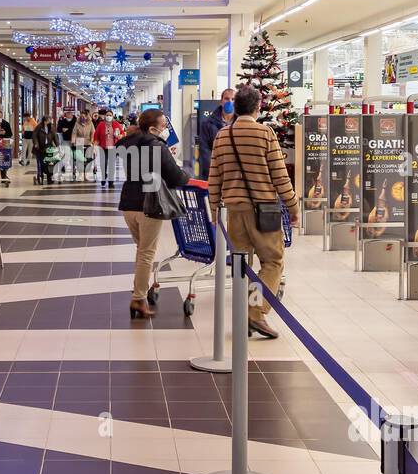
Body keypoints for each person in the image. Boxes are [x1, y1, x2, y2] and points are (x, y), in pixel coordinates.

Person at [207, 85, 298, 340]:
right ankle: (256, 313)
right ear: (258, 107)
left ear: (235, 107)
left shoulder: (223, 136)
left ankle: (245, 312)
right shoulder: (265, 133)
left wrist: (215, 209)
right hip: (263, 210)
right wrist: (293, 206)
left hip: (234, 211)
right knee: (272, 262)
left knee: (240, 264)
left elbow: (215, 176)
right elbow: (280, 176)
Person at [118, 108, 190, 319]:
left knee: (142, 250)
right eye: (163, 126)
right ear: (152, 128)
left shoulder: (128, 144)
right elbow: (176, 177)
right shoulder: (156, 146)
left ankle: (139, 292)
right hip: (148, 204)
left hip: (128, 204)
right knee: (146, 253)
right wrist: (188, 176)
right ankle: (139, 298)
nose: (166, 129)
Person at [198, 89, 236, 179]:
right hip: (216, 172)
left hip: (236, 174)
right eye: (227, 99)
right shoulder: (208, 124)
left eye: (233, 99)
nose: (230, 102)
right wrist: (214, 171)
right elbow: (204, 150)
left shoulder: (241, 123)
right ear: (221, 102)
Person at [93, 109, 125, 189]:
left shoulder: (116, 124)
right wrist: (94, 147)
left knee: (111, 165)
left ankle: (111, 182)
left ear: (112, 116)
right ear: (105, 116)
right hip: (103, 147)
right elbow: (96, 136)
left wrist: (120, 136)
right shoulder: (101, 125)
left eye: (110, 115)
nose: (108, 117)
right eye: (107, 115)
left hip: (113, 147)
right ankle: (104, 177)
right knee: (103, 164)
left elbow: (122, 133)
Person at [33, 116, 59, 185]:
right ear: (44, 121)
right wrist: (36, 144)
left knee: (50, 163)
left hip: (49, 148)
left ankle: (49, 177)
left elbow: (55, 137)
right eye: (48, 121)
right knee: (41, 163)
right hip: (40, 148)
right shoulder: (39, 127)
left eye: (50, 121)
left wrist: (58, 145)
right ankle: (40, 175)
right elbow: (34, 136)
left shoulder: (51, 128)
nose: (50, 122)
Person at [72, 109, 96, 182]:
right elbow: (74, 133)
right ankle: (81, 174)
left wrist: (92, 140)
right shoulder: (77, 123)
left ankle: (86, 174)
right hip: (79, 142)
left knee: (88, 159)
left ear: (86, 116)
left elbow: (93, 133)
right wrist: (73, 141)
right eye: (81, 116)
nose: (82, 118)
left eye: (84, 116)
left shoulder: (90, 123)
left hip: (88, 142)